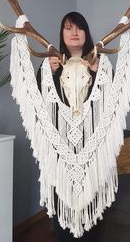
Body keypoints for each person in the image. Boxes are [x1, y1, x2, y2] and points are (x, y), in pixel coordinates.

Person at [37, 12, 101, 241]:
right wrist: (49, 73)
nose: (74, 32)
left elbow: (106, 106)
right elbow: (42, 105)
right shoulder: (50, 67)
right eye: (68, 28)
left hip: (89, 148)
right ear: (62, 34)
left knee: (89, 206)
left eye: (79, 28)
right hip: (60, 149)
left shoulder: (101, 66)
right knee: (61, 200)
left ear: (86, 32)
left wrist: (97, 72)